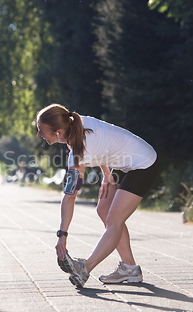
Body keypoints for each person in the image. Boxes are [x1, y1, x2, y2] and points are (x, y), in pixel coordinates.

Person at [36, 104, 159, 288]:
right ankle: (130, 268)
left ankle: (85, 267)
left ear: (59, 132)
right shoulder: (76, 124)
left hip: (143, 163)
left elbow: (69, 197)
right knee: (103, 210)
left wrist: (62, 235)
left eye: (41, 130)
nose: (39, 134)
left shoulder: (78, 151)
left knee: (114, 221)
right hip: (123, 163)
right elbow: (103, 146)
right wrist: (107, 174)